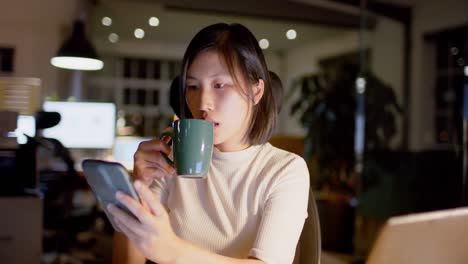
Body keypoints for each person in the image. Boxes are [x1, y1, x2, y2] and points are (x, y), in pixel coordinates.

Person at [108, 23, 311, 264]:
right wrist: (138, 187)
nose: (202, 102)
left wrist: (172, 251)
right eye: (193, 86)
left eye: (219, 85)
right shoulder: (172, 159)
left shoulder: (284, 170)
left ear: (256, 92)